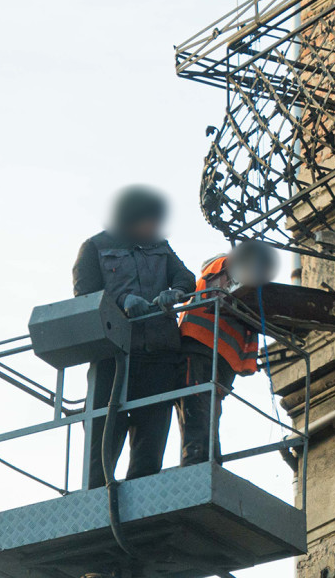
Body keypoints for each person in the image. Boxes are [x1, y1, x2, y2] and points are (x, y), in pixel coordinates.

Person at [73, 185, 195, 488]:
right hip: (113, 357)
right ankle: (97, 498)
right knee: (103, 437)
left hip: (159, 354)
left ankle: (142, 498)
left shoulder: (159, 246)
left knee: (150, 442)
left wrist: (175, 291)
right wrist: (122, 302)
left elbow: (186, 278)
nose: (153, 226)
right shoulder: (95, 247)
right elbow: (85, 297)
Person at [175, 253, 260, 466]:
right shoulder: (220, 266)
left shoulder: (224, 269)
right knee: (201, 413)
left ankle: (204, 462)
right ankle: (202, 463)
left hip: (212, 355)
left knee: (202, 413)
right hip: (205, 352)